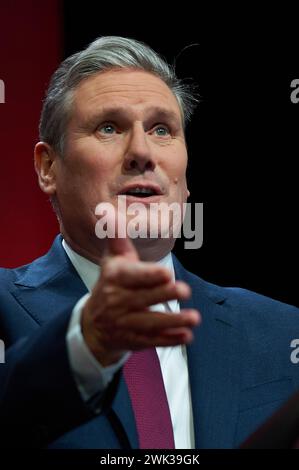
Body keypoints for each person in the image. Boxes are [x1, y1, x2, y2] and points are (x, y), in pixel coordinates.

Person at [0, 36, 298, 449]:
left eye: (162, 129)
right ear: (48, 167)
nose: (142, 152)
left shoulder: (282, 331)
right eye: (109, 127)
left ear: (186, 175)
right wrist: (84, 345)